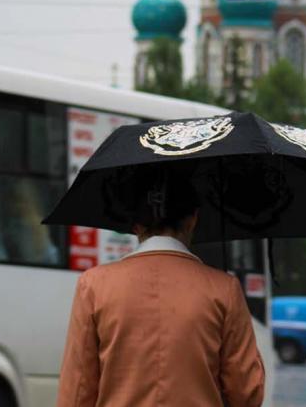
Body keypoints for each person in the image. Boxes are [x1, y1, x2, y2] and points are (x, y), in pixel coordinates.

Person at [56, 170, 265, 407]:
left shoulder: (93, 285)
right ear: (193, 219)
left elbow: (76, 393)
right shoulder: (224, 288)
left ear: (136, 225)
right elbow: (247, 393)